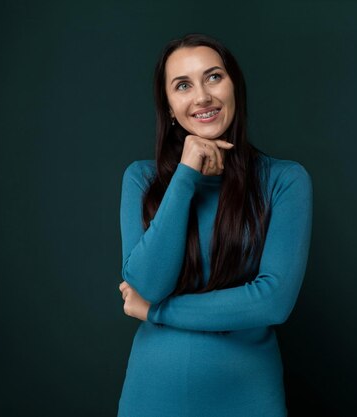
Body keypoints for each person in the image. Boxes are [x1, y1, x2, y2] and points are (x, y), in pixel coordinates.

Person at [117, 33, 313, 417]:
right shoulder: (141, 180)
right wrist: (186, 174)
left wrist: (156, 312)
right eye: (183, 86)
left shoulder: (284, 180)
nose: (202, 97)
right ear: (170, 108)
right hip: (151, 396)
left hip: (247, 397)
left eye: (213, 77)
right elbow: (149, 283)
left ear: (233, 87)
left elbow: (272, 302)